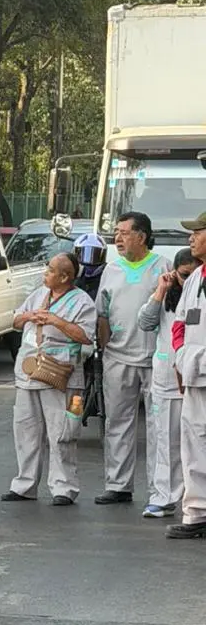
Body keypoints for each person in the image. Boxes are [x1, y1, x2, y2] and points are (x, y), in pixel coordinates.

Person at [2, 253, 96, 506]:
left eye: (51, 269)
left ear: (65, 276)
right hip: (29, 373)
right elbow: (16, 320)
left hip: (62, 376)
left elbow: (86, 336)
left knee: (63, 432)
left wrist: (56, 321)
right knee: (25, 430)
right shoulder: (38, 294)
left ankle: (64, 488)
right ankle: (24, 484)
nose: (46, 272)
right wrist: (29, 316)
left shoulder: (82, 302)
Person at [94, 212, 172, 505]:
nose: (118, 238)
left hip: (155, 359)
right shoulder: (111, 270)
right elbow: (102, 313)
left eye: (124, 233)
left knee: (158, 427)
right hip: (118, 357)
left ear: (141, 236)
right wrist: (104, 347)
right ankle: (118, 485)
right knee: (118, 422)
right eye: (117, 232)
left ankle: (159, 490)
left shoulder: (162, 267)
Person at [138, 249, 196, 519]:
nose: (189, 280)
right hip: (167, 379)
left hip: (198, 378)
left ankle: (194, 499)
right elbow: (145, 323)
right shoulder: (166, 297)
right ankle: (164, 497)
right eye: (183, 275)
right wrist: (161, 290)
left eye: (194, 273)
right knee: (166, 441)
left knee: (196, 444)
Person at [168, 215, 206, 539]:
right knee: (193, 446)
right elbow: (180, 322)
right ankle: (197, 514)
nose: (191, 239)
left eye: (197, 232)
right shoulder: (194, 278)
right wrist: (180, 356)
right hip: (194, 373)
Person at [73, 232, 106, 302]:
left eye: (95, 254)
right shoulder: (77, 273)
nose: (90, 258)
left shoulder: (107, 274)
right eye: (85, 252)